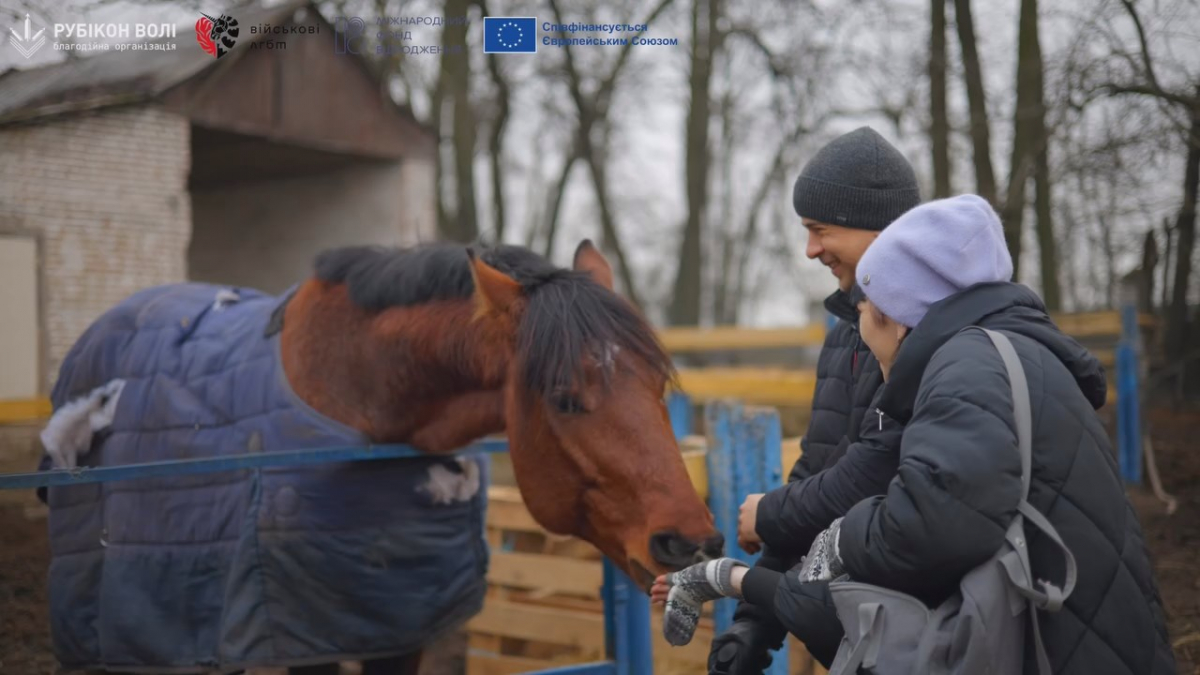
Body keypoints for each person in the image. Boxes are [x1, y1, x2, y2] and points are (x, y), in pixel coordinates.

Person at [656, 194, 1176, 674]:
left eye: (864, 307)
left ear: (897, 317)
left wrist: (829, 540)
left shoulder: (968, 367)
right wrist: (746, 588)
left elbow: (929, 529)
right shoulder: (1003, 355)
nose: (857, 320)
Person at [709, 126, 920, 671]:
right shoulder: (846, 334)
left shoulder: (925, 335)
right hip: (855, 633)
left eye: (821, 230)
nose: (810, 250)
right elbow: (817, 472)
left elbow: (871, 476)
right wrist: (756, 626)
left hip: (918, 632)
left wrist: (770, 515)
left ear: (875, 228)